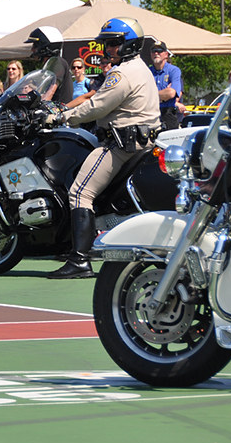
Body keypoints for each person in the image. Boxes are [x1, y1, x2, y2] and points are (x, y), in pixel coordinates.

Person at [46, 17, 160, 279]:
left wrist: (61, 117)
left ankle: (80, 261)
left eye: (112, 44)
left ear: (128, 44)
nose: (107, 49)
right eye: (106, 44)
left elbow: (97, 105)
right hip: (140, 143)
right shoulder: (140, 68)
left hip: (120, 146)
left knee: (79, 193)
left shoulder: (122, 73)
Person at [26, 26, 72, 104]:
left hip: (59, 113)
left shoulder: (56, 62)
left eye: (35, 45)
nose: (32, 49)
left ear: (45, 45)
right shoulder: (49, 64)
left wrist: (40, 104)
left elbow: (50, 92)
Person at [150, 40, 183, 130]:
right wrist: (163, 95)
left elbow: (171, 93)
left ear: (166, 54)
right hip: (150, 113)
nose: (156, 53)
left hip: (168, 113)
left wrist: (151, 95)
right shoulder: (147, 72)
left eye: (159, 51)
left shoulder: (174, 70)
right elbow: (141, 95)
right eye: (153, 51)